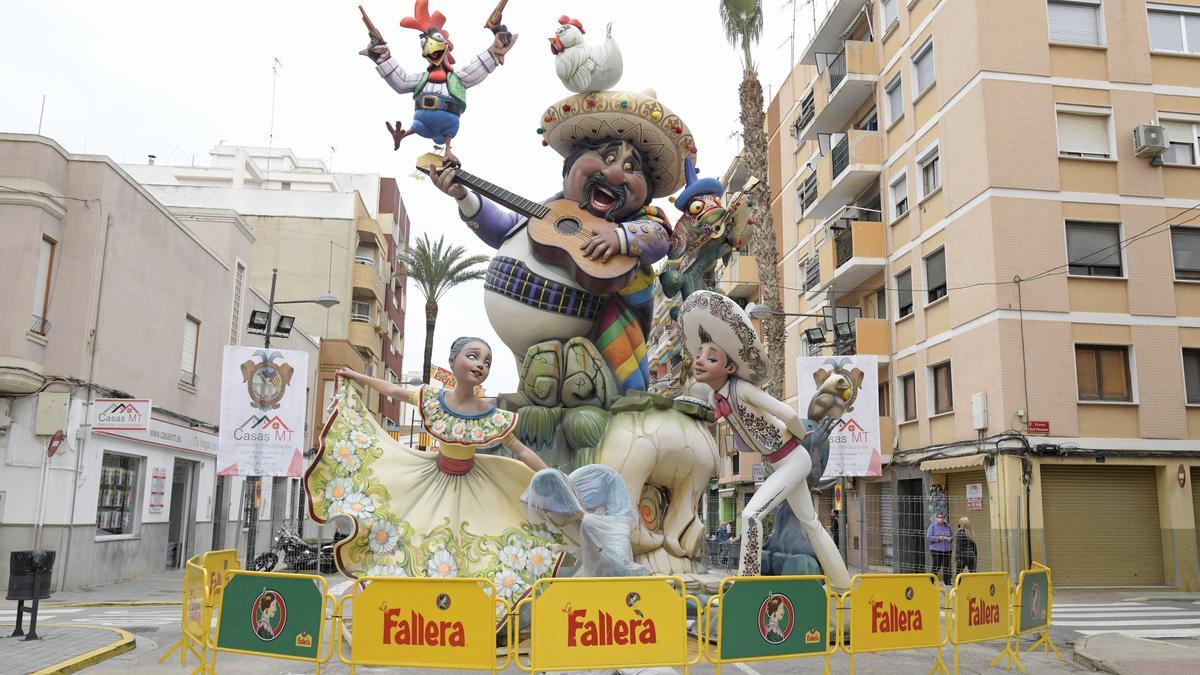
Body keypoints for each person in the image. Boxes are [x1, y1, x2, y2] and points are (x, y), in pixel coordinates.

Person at [429, 88, 698, 393]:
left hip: (586, 359)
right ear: (573, 163)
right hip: (528, 360)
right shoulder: (551, 210)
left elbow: (658, 238)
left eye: (630, 168)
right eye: (607, 157)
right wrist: (463, 195)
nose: (613, 175)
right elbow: (502, 227)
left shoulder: (640, 220)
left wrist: (621, 237)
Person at [308, 336, 558, 602]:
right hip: (431, 480)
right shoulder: (432, 399)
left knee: (473, 547)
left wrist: (553, 475)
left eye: (487, 362)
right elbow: (391, 391)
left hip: (474, 487)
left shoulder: (490, 414)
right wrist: (357, 376)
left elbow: (520, 450)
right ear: (452, 361)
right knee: (418, 539)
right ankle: (418, 607)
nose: (481, 365)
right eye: (473, 356)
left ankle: (471, 608)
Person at [678, 291, 850, 591]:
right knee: (810, 524)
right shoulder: (719, 396)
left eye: (711, 357)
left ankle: (747, 588)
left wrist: (798, 435)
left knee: (751, 514)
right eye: (700, 354)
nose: (700, 361)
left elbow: (785, 412)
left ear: (730, 367)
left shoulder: (741, 389)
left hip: (792, 459)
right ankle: (843, 587)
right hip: (781, 462)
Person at [927, 511, 953, 586]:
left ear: (944, 518)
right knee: (937, 565)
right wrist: (938, 538)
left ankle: (947, 582)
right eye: (939, 517)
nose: (940, 519)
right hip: (936, 549)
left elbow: (952, 534)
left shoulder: (947, 526)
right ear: (936, 518)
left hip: (947, 549)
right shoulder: (932, 526)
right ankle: (931, 580)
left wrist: (951, 538)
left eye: (942, 517)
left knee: (947, 566)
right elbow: (929, 537)